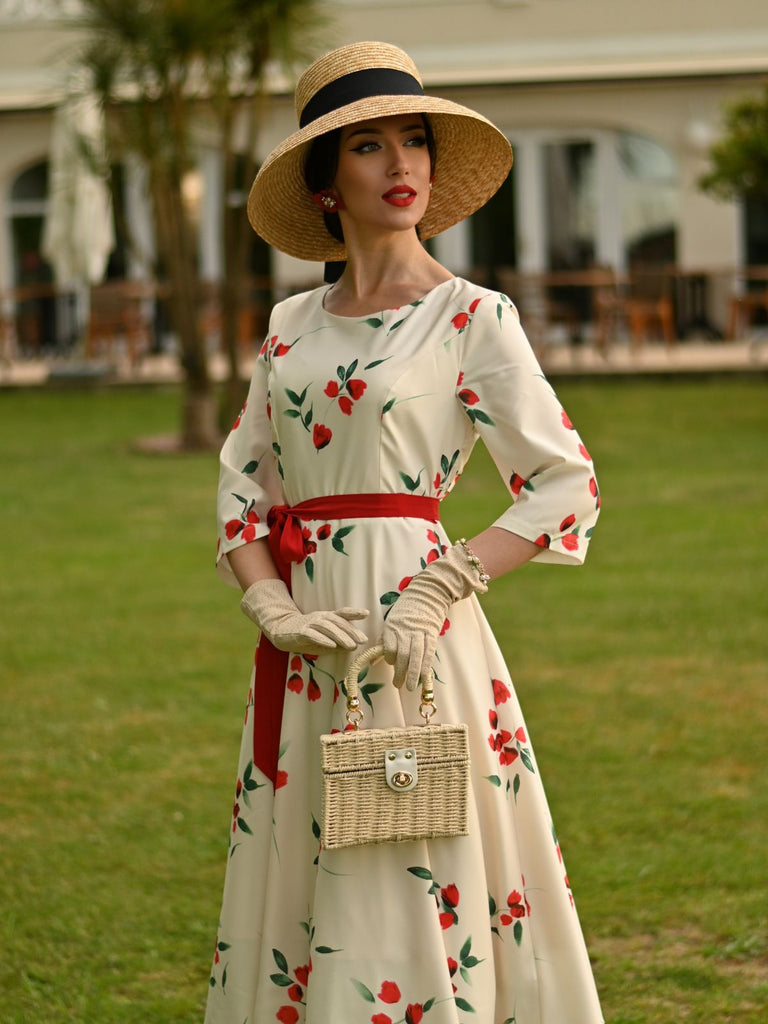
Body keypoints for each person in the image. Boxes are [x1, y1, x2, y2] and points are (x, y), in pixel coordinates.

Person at [206, 41, 604, 1024]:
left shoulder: (472, 317)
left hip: (418, 641)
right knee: (318, 856)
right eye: (370, 147)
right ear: (327, 184)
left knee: (410, 852)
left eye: (415, 141)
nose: (402, 167)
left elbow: (565, 483)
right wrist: (270, 603)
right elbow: (242, 489)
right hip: (309, 645)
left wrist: (442, 584)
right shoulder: (289, 327)